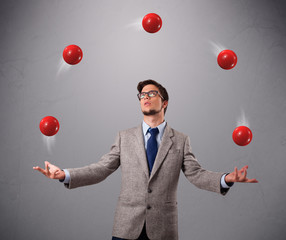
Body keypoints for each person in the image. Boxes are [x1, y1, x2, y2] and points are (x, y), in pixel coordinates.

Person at [33, 79, 258, 240]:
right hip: (126, 227)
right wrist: (65, 174)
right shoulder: (124, 137)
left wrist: (226, 178)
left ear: (165, 102)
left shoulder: (180, 140)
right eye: (142, 95)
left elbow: (196, 174)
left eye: (152, 94)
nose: (146, 97)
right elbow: (101, 168)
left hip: (164, 230)